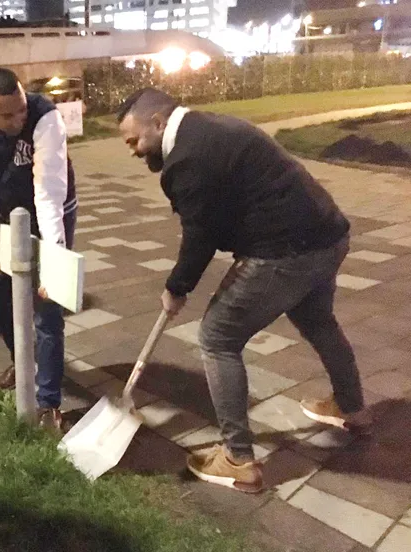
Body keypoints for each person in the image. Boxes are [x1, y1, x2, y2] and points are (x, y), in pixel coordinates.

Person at [117, 87, 371, 493]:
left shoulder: (186, 159)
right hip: (328, 234)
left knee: (217, 337)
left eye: (134, 141)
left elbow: (200, 235)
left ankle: (238, 458)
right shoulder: (209, 126)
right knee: (317, 320)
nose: (134, 151)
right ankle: (352, 407)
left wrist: (176, 288)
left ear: (159, 123)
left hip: (285, 252)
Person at [0, 67, 78, 431]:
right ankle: (22, 363)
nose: (17, 120)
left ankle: (48, 402)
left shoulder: (46, 118)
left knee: (47, 309)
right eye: (7, 115)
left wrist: (53, 262)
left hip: (53, 212)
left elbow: (48, 192)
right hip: (7, 216)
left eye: (21, 110)